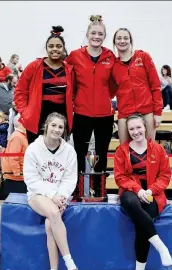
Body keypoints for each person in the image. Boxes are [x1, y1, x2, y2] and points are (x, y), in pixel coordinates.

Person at [23, 112, 82, 270]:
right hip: (38, 194)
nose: (57, 130)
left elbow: (70, 179)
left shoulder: (69, 151)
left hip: (61, 196)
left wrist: (60, 195)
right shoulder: (33, 149)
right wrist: (52, 194)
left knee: (51, 224)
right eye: (54, 125)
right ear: (46, 126)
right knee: (54, 214)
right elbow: (31, 179)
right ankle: (72, 268)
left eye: (61, 127)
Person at [114, 113, 172, 270]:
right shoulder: (122, 150)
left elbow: (165, 176)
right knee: (130, 202)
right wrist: (137, 189)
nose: (135, 131)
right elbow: (120, 177)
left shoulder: (158, 149)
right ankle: (160, 245)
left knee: (142, 225)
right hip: (132, 191)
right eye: (131, 129)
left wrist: (150, 190)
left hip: (154, 194)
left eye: (138, 127)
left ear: (145, 127)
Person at [66, 15, 116, 196]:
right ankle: (80, 190)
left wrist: (105, 97)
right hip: (81, 112)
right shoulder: (75, 56)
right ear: (87, 35)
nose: (96, 36)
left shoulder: (110, 56)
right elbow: (69, 81)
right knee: (80, 152)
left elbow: (114, 83)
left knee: (102, 153)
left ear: (104, 36)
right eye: (93, 33)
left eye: (100, 34)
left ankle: (98, 189)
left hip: (104, 114)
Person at [14, 26, 74, 145]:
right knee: (38, 154)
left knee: (58, 154)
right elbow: (20, 91)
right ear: (46, 48)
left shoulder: (69, 69)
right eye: (51, 46)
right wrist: (25, 113)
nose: (55, 49)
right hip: (37, 117)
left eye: (58, 46)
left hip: (62, 118)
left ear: (63, 49)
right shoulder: (34, 66)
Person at [112, 28, 163, 144]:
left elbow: (155, 85)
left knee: (150, 149)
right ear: (114, 42)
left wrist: (157, 112)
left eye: (126, 38)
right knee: (125, 150)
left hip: (146, 110)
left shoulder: (143, 57)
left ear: (130, 40)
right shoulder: (113, 65)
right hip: (125, 111)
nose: (122, 41)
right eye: (119, 38)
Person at [0, 114, 28, 200]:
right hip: (16, 178)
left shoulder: (20, 136)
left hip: (18, 177)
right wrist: (17, 172)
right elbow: (13, 157)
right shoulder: (18, 137)